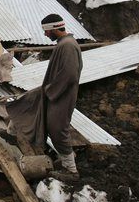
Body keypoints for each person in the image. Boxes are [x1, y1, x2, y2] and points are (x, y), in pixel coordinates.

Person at [5, 14, 83, 181]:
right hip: (55, 93)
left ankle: (71, 171)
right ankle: (12, 133)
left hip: (62, 96)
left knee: (57, 129)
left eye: (47, 32)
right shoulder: (64, 44)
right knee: (27, 101)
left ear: (55, 29)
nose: (46, 35)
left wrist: (50, 91)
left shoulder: (68, 46)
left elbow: (69, 75)